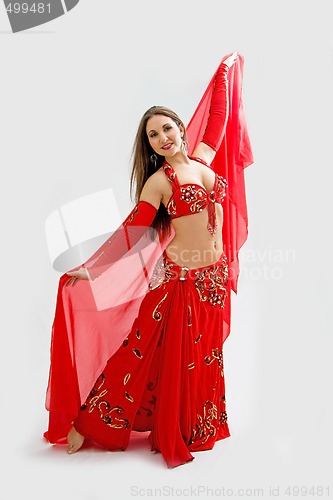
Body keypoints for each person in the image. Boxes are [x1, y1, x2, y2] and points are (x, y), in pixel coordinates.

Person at [44, 52, 254, 468]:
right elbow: (132, 232)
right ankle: (87, 424)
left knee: (203, 355)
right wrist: (94, 268)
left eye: (166, 128)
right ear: (151, 146)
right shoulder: (160, 183)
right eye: (153, 136)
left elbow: (219, 116)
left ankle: (196, 427)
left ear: (179, 127)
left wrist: (227, 69)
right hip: (175, 280)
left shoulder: (205, 160)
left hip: (210, 280)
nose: (162, 138)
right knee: (137, 352)